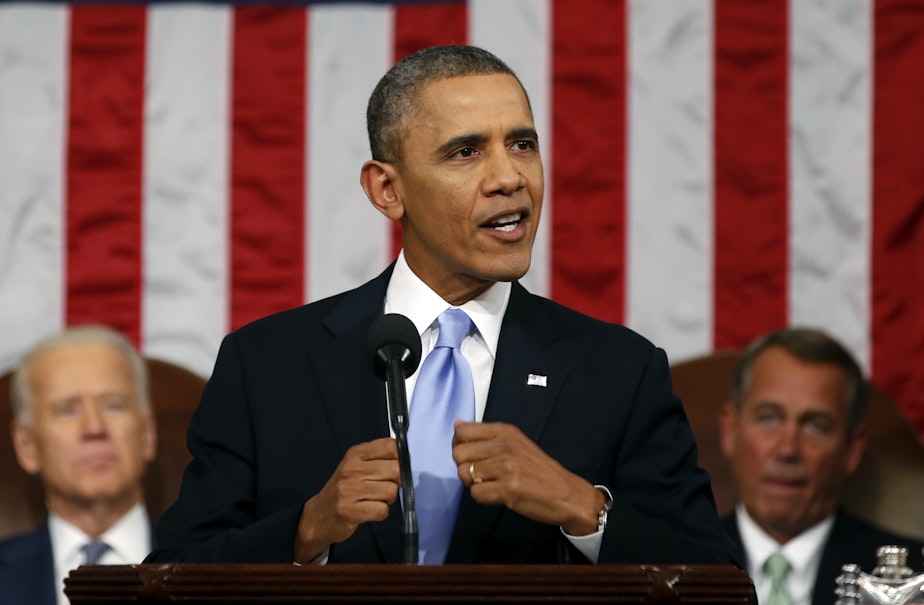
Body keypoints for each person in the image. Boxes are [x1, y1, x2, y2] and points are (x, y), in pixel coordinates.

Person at [146, 44, 739, 567]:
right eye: (465, 152)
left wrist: (583, 508)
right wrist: (306, 530)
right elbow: (172, 576)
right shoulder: (267, 364)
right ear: (387, 189)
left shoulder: (619, 371)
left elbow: (718, 586)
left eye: (522, 144)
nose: (510, 177)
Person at [718, 327, 924, 605]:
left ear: (852, 449)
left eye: (816, 426)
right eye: (768, 419)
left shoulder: (910, 583)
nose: (787, 449)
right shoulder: (674, 566)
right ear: (731, 431)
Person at [0, 325, 158, 605]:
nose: (94, 427)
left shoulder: (215, 571)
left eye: (113, 405)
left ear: (147, 433)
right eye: (66, 410)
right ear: (26, 446)